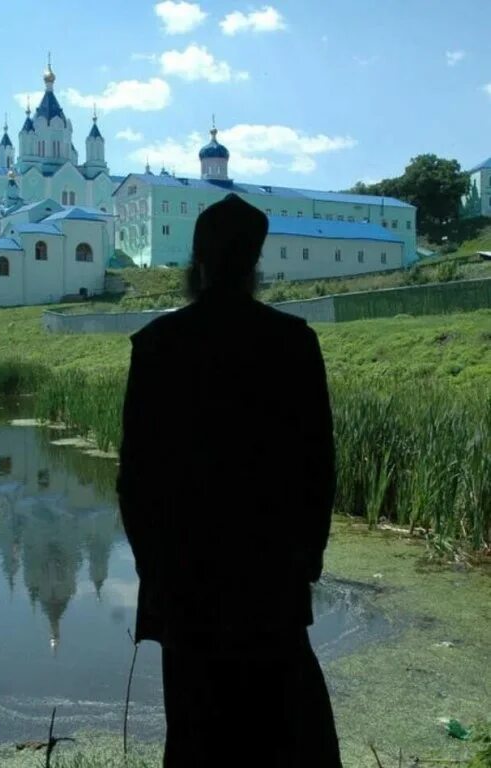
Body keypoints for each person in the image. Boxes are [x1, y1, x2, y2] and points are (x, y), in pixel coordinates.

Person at [117, 193, 342, 767]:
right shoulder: (293, 343)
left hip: (187, 584)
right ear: (254, 265)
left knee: (196, 734)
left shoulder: (157, 346)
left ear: (199, 264)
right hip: (270, 582)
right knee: (286, 732)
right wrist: (305, 560)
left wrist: (156, 570)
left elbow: (135, 481)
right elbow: (318, 467)